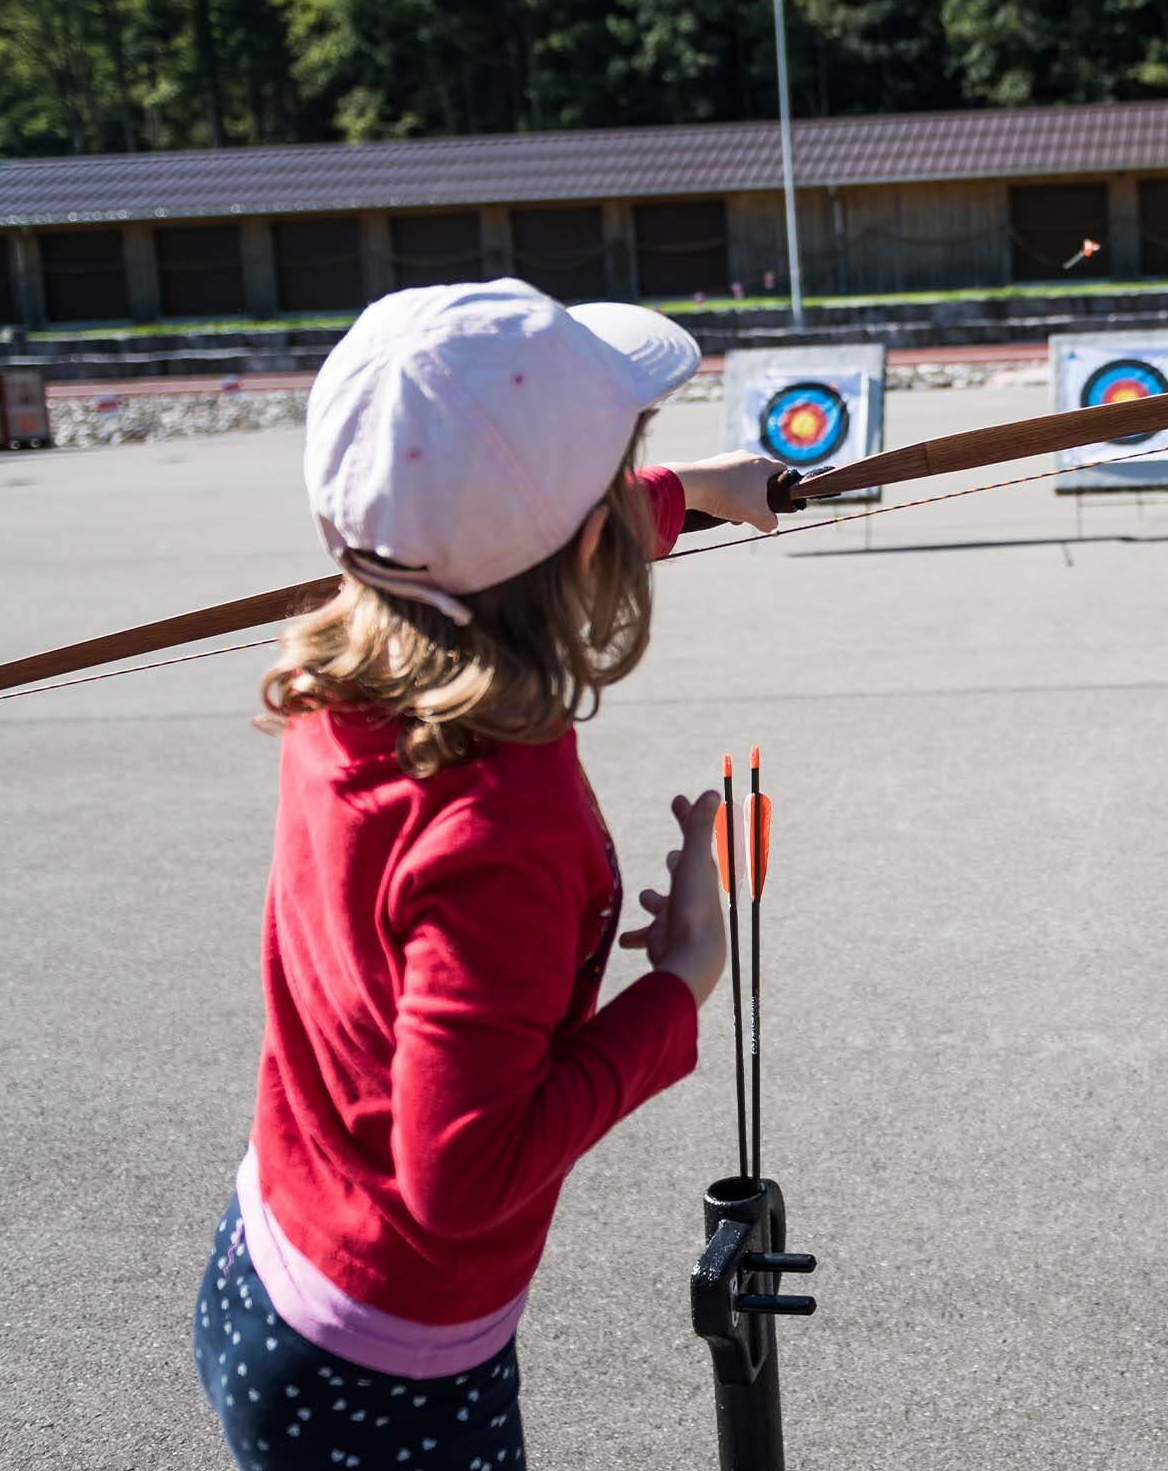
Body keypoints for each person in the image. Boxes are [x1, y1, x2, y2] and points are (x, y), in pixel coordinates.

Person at [192, 281, 785, 1470]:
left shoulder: (357, 648)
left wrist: (699, 490)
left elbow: (500, 538)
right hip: (383, 1366)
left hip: (274, 1259)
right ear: (582, 542)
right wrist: (678, 988)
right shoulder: (495, 821)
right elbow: (461, 1172)